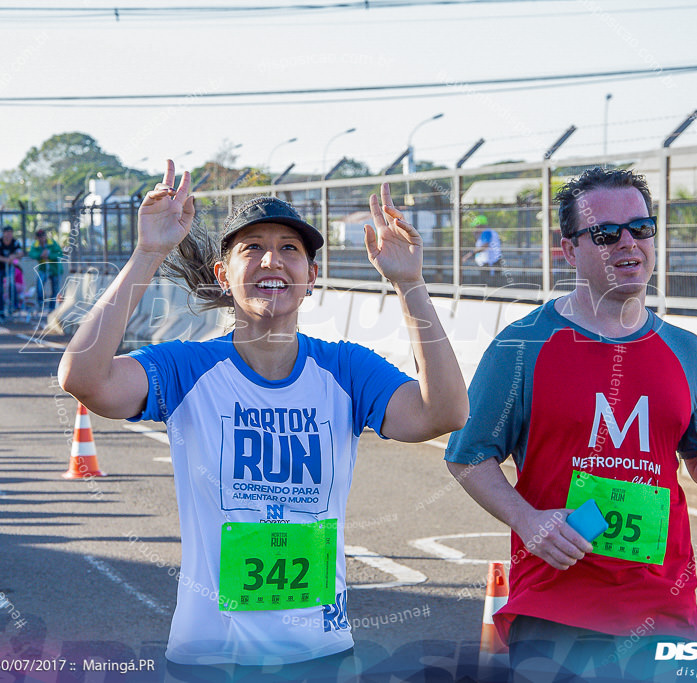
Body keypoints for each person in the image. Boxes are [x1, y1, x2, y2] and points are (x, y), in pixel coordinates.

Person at [58, 160, 468, 673]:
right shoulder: (187, 367)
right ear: (223, 275)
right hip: (210, 657)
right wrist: (148, 253)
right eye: (251, 248)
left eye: (290, 249)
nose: (272, 260)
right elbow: (84, 378)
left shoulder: (346, 369)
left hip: (319, 653)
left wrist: (409, 283)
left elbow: (445, 411)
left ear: (312, 276)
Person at [444, 167, 697, 681]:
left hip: (663, 610)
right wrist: (528, 520)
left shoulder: (685, 350)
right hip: (556, 606)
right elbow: (467, 455)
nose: (628, 243)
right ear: (568, 250)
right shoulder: (523, 346)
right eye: (606, 233)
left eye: (641, 228)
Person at [0, 225, 22, 321]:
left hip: (9, 268)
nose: (9, 234)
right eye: (7, 232)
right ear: (3, 233)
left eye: (10, 232)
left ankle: (14, 307)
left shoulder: (15, 242)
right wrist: (6, 259)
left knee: (12, 285)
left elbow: (20, 253)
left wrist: (13, 256)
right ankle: (0, 312)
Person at [28, 229, 63, 314]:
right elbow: (31, 254)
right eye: (39, 237)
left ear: (45, 236)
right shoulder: (35, 245)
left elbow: (59, 253)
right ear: (37, 238)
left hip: (55, 269)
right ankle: (40, 304)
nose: (41, 238)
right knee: (39, 287)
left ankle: (52, 309)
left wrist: (49, 255)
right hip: (43, 269)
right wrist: (41, 255)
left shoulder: (52, 243)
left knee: (55, 289)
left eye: (43, 236)